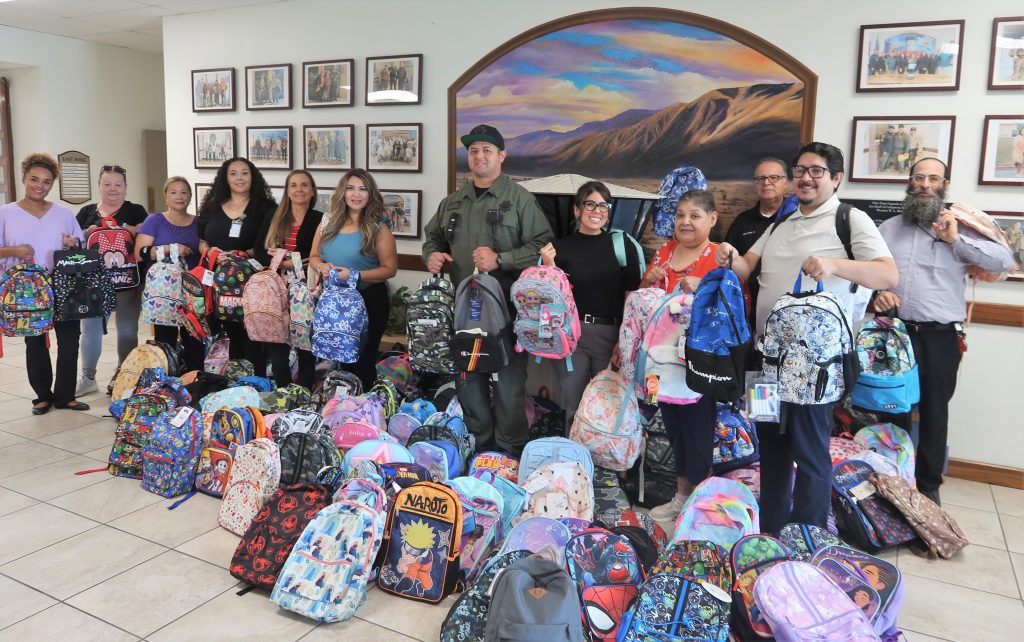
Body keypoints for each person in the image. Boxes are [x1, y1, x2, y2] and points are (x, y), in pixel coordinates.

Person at [713, 142, 898, 534]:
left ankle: (810, 540)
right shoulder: (781, 222)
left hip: (814, 369)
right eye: (801, 170)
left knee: (811, 453)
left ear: (836, 179)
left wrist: (834, 264)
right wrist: (729, 255)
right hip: (763, 361)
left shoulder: (850, 219)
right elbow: (746, 269)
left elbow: (888, 275)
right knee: (771, 451)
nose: (806, 177)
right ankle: (773, 531)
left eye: (816, 171)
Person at [873, 158, 1015, 505]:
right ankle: (893, 482)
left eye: (932, 179)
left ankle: (929, 486)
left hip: (941, 335)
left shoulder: (963, 227)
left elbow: (1004, 262)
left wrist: (955, 241)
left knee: (935, 412)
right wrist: (876, 295)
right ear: (909, 183)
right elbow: (869, 272)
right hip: (896, 335)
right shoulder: (888, 228)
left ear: (944, 184)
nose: (924, 184)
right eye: (918, 178)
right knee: (891, 410)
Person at [422, 124, 554, 455]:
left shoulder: (520, 199)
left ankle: (509, 452)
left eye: (487, 150)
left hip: (509, 311)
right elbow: (433, 239)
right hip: (465, 310)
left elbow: (543, 246)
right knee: (469, 382)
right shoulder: (453, 202)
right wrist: (432, 256)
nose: (479, 156)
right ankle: (479, 448)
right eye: (474, 150)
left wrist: (503, 259)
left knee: (510, 387)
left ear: (502, 156)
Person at [634, 189, 725, 521]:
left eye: (695, 215)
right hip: (660, 362)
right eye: (680, 215)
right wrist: (648, 278)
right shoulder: (665, 251)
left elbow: (735, 304)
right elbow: (646, 302)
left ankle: (700, 508)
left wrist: (704, 286)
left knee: (698, 435)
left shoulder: (718, 255)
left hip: (698, 364)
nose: (685, 222)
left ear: (712, 220)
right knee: (673, 429)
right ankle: (681, 496)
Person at [538, 180, 642, 425]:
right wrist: (549, 265)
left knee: (609, 405)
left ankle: (607, 460)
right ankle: (575, 460)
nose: (597, 211)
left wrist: (625, 340)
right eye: (590, 204)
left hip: (610, 336)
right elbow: (549, 295)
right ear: (576, 210)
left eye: (603, 206)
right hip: (571, 337)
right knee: (574, 405)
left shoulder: (621, 245)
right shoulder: (559, 248)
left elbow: (632, 296)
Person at [0, 154, 89, 414]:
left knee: (70, 339)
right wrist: (13, 249)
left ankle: (65, 396)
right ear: (24, 178)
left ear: (53, 184)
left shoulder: (63, 213)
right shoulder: (6, 213)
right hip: (26, 288)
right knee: (35, 340)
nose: (40, 185)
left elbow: (79, 243)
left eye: (47, 181)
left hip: (62, 284)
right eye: (34, 179)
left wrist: (74, 244)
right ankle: (42, 396)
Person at [308, 169, 397, 390]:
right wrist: (322, 266)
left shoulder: (378, 227)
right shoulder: (327, 222)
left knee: (363, 362)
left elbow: (390, 269)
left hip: (368, 301)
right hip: (333, 302)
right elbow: (313, 256)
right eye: (350, 188)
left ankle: (364, 414)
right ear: (342, 193)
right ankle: (340, 411)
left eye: (362, 189)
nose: (356, 194)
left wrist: (354, 275)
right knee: (338, 361)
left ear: (370, 194)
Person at [198, 157, 276, 376]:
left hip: (252, 282)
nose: (239, 178)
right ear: (225, 177)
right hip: (217, 281)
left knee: (250, 332)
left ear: (253, 177)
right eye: (233, 173)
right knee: (226, 330)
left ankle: (255, 380)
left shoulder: (265, 207)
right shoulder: (213, 205)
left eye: (244, 173)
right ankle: (230, 378)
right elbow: (201, 239)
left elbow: (270, 243)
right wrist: (210, 252)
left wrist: (241, 255)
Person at [74, 164, 148, 396]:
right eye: (107, 184)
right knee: (90, 329)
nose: (112, 189)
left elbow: (148, 236)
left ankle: (123, 376)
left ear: (125, 188)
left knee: (127, 328)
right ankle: (88, 377)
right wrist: (85, 234)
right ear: (99, 186)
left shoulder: (136, 211)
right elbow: (73, 243)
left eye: (118, 185)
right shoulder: (86, 212)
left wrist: (129, 228)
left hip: (128, 280)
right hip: (92, 282)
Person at [255, 169, 324, 390]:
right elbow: (259, 250)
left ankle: (304, 389)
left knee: (304, 339)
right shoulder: (274, 216)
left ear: (312, 190)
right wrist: (280, 262)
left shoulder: (320, 219)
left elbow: (319, 253)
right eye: (293, 185)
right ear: (287, 190)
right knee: (277, 338)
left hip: (306, 286)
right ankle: (283, 388)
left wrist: (292, 260)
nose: (299, 189)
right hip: (276, 286)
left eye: (304, 185)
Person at [134, 177, 204, 371]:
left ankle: (194, 379)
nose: (179, 196)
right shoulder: (155, 220)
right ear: (165, 196)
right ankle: (168, 381)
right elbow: (140, 253)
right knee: (165, 338)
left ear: (190, 197)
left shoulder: (199, 223)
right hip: (164, 291)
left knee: (194, 336)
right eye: (173, 192)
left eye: (184, 192)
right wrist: (172, 249)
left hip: (192, 290)